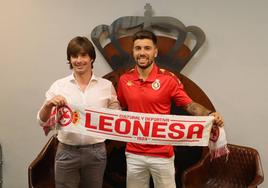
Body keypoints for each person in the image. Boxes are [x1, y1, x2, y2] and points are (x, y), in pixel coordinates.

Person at [117, 30, 224, 188]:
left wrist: (209, 114)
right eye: (137, 48)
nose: (142, 52)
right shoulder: (124, 80)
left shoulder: (168, 79)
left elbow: (190, 105)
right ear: (133, 52)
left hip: (162, 154)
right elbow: (117, 108)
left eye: (147, 48)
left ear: (155, 52)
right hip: (134, 154)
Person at [37, 36, 120, 188]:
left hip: (96, 152)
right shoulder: (59, 86)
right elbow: (41, 121)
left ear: (91, 58)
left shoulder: (106, 86)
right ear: (69, 59)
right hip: (66, 151)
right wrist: (49, 105)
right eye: (74, 56)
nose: (79, 60)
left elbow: (117, 118)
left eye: (83, 55)